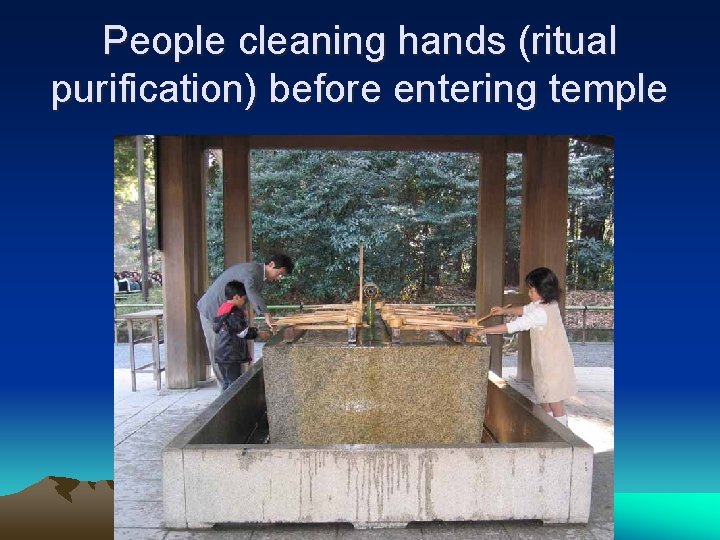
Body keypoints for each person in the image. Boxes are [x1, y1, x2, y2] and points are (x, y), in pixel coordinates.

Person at [481, 267, 576, 427]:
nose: (529, 294)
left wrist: (485, 330)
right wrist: (504, 310)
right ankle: (550, 431)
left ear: (543, 290)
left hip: (554, 364)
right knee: (545, 399)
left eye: (532, 290)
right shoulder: (543, 303)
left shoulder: (542, 312)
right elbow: (525, 310)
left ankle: (564, 437)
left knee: (554, 402)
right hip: (546, 361)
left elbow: (515, 326)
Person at [197, 253, 294, 386]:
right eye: (279, 273)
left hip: (227, 316)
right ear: (271, 265)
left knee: (231, 354)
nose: (279, 277)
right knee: (220, 353)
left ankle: (232, 389)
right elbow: (251, 291)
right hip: (212, 312)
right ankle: (224, 395)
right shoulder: (254, 271)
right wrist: (266, 314)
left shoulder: (258, 275)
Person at [213, 281, 270, 391]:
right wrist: (258, 333)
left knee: (227, 382)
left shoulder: (222, 309)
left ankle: (223, 404)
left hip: (221, 355)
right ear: (236, 297)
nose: (245, 302)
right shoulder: (234, 312)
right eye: (244, 299)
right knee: (234, 386)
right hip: (231, 355)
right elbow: (242, 332)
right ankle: (230, 406)